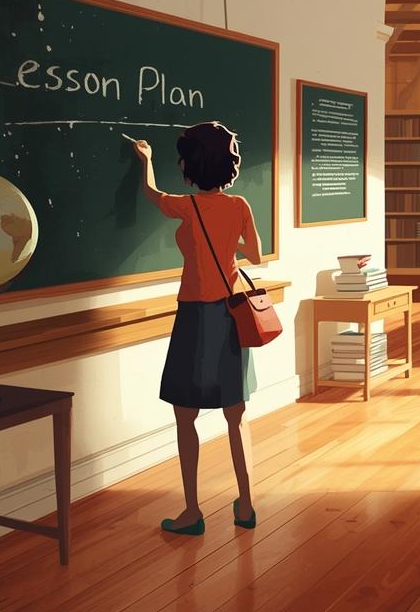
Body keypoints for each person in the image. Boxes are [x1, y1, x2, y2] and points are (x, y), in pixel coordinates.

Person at [132, 122, 261, 536]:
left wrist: (146, 160)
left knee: (185, 418)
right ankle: (245, 505)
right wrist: (227, 248)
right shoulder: (240, 205)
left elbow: (151, 194)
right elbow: (255, 255)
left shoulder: (186, 206)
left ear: (189, 165)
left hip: (193, 317)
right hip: (229, 315)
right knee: (236, 417)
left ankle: (192, 511)